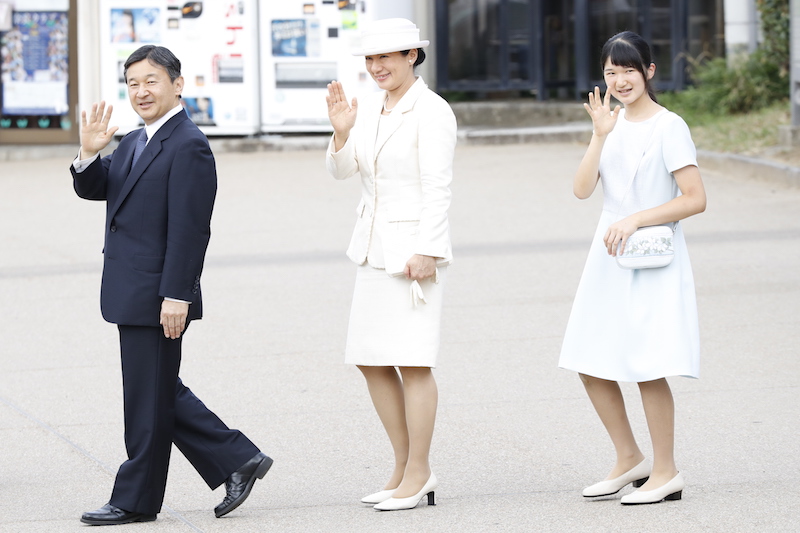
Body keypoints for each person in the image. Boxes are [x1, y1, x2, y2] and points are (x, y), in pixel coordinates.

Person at [71, 45, 272, 525]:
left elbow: (190, 229)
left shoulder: (187, 144)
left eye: (151, 80)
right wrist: (88, 153)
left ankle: (135, 499)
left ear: (177, 84)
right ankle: (236, 458)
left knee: (148, 396)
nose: (141, 91)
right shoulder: (137, 139)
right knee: (155, 392)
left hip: (158, 294)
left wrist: (177, 294)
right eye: (133, 82)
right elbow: (97, 189)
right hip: (131, 290)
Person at [558, 31, 706, 505]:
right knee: (588, 358)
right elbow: (582, 191)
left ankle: (666, 472)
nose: (620, 80)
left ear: (649, 72)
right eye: (610, 72)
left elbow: (695, 199)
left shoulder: (670, 126)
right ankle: (628, 458)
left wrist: (637, 217)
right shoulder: (610, 124)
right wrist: (599, 136)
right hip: (608, 255)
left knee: (648, 364)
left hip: (653, 255)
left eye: (628, 69)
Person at [325, 18, 456, 511]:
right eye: (371, 59)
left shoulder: (434, 111)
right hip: (371, 249)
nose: (377, 67)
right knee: (370, 358)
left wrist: (428, 249)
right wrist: (340, 134)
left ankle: (419, 472)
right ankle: (402, 467)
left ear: (412, 57)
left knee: (414, 361)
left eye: (387, 57)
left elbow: (438, 187)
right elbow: (343, 171)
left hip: (411, 256)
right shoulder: (372, 109)